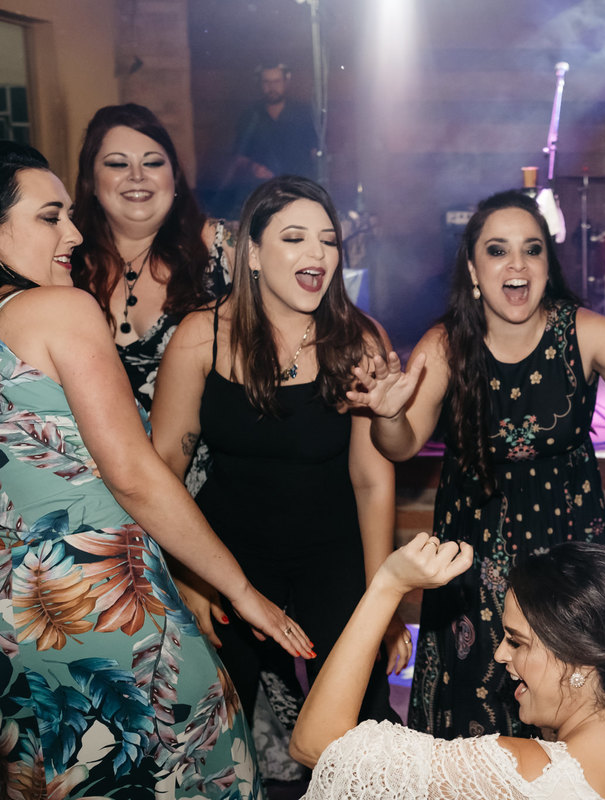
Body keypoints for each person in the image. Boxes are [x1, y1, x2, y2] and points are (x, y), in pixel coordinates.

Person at [344, 189, 605, 739]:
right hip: (475, 556)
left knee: (574, 699)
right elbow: (401, 444)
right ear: (473, 267)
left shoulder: (583, 332)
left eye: (531, 250)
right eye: (497, 250)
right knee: (478, 704)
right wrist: (387, 416)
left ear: (546, 264)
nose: (516, 264)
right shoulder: (446, 345)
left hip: (566, 548)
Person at [0, 142, 311, 797]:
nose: (75, 232)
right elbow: (135, 473)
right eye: (50, 216)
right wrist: (239, 589)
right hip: (105, 615)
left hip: (16, 631)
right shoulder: (59, 310)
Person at [149, 176, 400, 753]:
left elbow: (371, 479)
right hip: (228, 555)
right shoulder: (200, 336)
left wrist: (379, 599)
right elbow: (164, 469)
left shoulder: (357, 340)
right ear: (254, 254)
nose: (318, 254)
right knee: (215, 728)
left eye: (329, 240)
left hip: (331, 556)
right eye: (294, 238)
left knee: (360, 730)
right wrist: (193, 576)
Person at [291, 536, 605, 800]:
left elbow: (316, 744)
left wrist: (388, 584)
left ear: (579, 657)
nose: (500, 655)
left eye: (516, 641)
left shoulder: (522, 774)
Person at [71, 103, 233, 415]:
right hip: (91, 460)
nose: (137, 176)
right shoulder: (63, 255)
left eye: (153, 163)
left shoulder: (218, 244)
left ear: (174, 176)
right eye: (117, 164)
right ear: (91, 180)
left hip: (209, 461)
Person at [233, 63, 318, 184]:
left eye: (276, 81)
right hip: (262, 188)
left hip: (298, 186)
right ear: (260, 84)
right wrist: (253, 168)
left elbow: (315, 153)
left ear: (286, 82)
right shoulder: (250, 115)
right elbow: (240, 158)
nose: (272, 87)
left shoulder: (304, 113)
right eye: (266, 82)